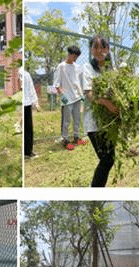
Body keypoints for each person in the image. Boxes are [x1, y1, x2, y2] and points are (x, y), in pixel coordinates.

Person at [81, 36, 120, 187]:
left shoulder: (112, 69)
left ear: (108, 49)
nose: (99, 51)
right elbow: (89, 94)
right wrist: (107, 103)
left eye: (102, 47)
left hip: (109, 122)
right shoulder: (88, 68)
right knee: (107, 159)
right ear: (91, 50)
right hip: (94, 122)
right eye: (95, 47)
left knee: (109, 158)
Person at [53, 46, 84, 147]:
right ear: (69, 54)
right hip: (66, 97)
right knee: (66, 119)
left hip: (76, 96)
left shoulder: (76, 67)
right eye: (74, 57)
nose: (75, 59)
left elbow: (77, 81)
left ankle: (76, 137)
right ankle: (65, 139)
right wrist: (61, 94)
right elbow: (56, 83)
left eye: (76, 58)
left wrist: (81, 94)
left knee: (77, 118)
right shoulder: (61, 66)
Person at [21, 68, 39, 159]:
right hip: (21, 104)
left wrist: (35, 102)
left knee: (28, 128)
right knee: (23, 129)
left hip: (27, 104)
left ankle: (28, 151)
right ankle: (23, 151)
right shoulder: (18, 73)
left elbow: (31, 88)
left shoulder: (26, 74)